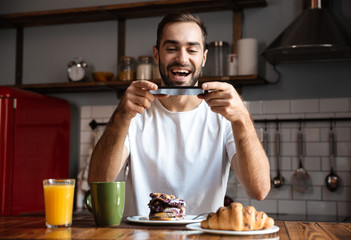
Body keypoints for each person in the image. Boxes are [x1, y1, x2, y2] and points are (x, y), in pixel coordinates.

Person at [88, 11, 270, 216]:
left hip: (204, 236)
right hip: (140, 236)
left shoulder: (224, 115)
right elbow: (97, 181)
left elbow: (259, 190)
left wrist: (242, 118)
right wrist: (121, 115)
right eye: (172, 49)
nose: (182, 58)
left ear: (203, 57)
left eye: (192, 50)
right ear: (157, 55)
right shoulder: (134, 112)